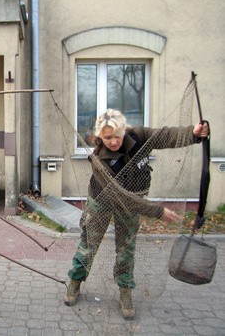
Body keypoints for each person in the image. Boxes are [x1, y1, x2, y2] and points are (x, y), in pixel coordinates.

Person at [64, 109, 209, 320]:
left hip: (132, 205)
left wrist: (193, 133)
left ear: (125, 131)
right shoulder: (99, 161)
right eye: (107, 137)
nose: (113, 142)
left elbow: (164, 135)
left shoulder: (138, 136)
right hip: (102, 201)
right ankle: (75, 282)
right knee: (88, 246)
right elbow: (122, 196)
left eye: (117, 136)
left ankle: (125, 292)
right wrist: (158, 211)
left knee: (126, 248)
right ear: (99, 137)